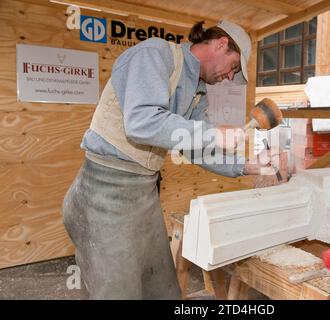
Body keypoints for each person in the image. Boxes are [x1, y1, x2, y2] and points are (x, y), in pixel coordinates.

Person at [62, 20, 279, 300]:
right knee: (118, 293)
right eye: (233, 67)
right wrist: (213, 133)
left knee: (163, 291)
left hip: (143, 195)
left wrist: (248, 166)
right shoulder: (155, 55)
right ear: (221, 43)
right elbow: (141, 122)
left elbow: (197, 148)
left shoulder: (197, 91)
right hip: (102, 194)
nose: (228, 77)